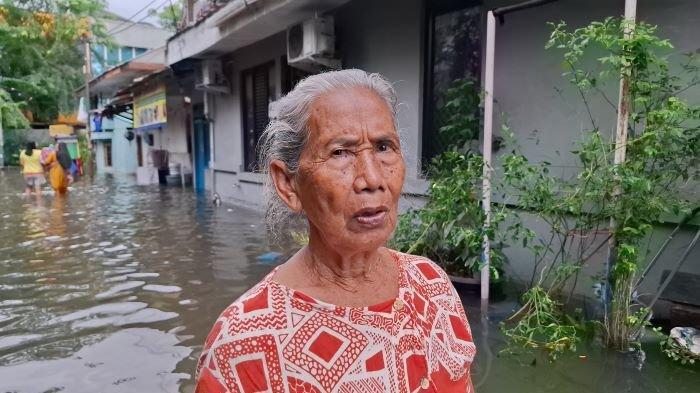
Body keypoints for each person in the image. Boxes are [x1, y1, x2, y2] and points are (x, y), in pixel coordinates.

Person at [195, 69, 476, 393]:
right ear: (288, 183)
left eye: (384, 147)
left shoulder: (432, 285)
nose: (372, 179)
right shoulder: (244, 342)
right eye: (340, 152)